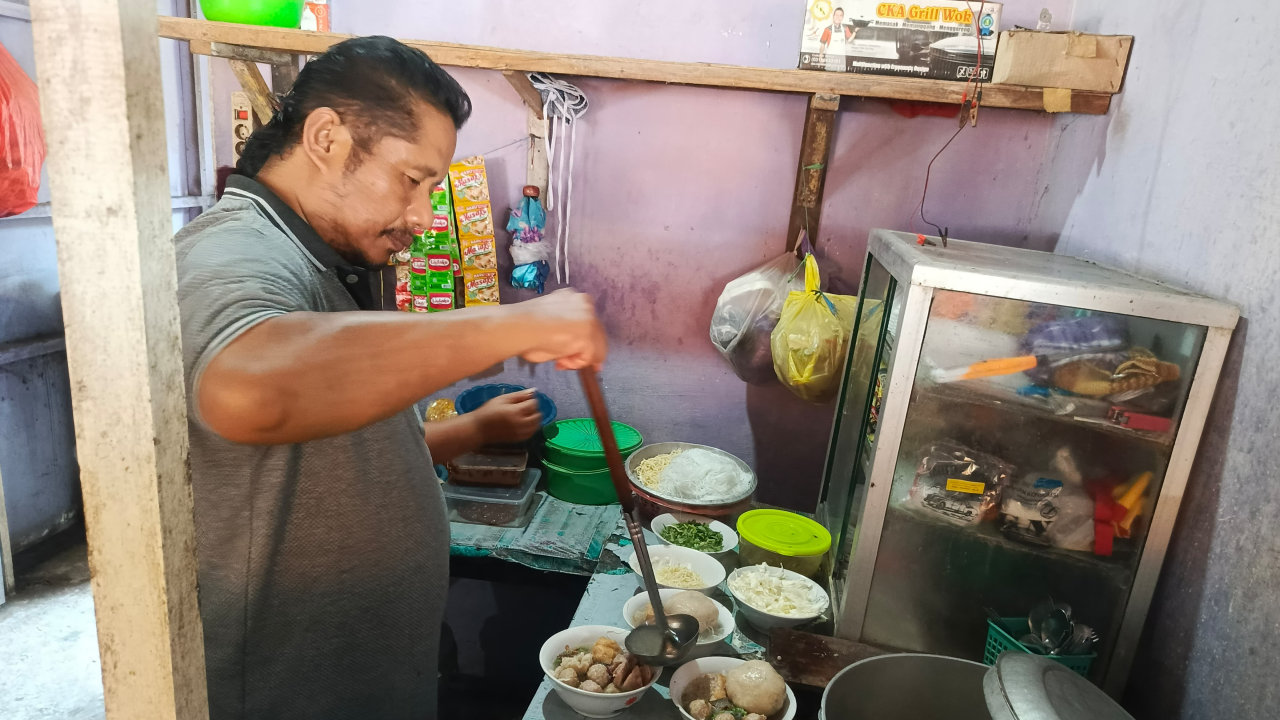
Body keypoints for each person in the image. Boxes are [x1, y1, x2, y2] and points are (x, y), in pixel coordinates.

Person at [174, 36, 606, 720]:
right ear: (325, 139)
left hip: (363, 674)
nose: (423, 217)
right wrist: (511, 325)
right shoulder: (236, 249)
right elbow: (245, 387)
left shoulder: (337, 260)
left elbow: (341, 455)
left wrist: (473, 429)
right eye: (412, 179)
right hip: (284, 691)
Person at [819, 7, 853, 71]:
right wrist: (821, 56)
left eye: (840, 15)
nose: (838, 17)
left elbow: (850, 40)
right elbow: (822, 44)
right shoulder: (828, 29)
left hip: (841, 60)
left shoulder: (845, 28)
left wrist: (855, 32)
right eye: (836, 15)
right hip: (831, 59)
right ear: (833, 16)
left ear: (842, 17)